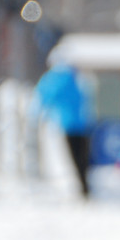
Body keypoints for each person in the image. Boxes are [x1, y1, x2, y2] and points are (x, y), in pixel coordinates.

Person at [33, 60, 96, 197]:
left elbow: (46, 96)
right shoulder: (77, 78)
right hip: (83, 123)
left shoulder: (55, 79)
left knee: (73, 156)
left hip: (67, 122)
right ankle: (84, 185)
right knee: (82, 157)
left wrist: (39, 114)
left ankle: (79, 186)